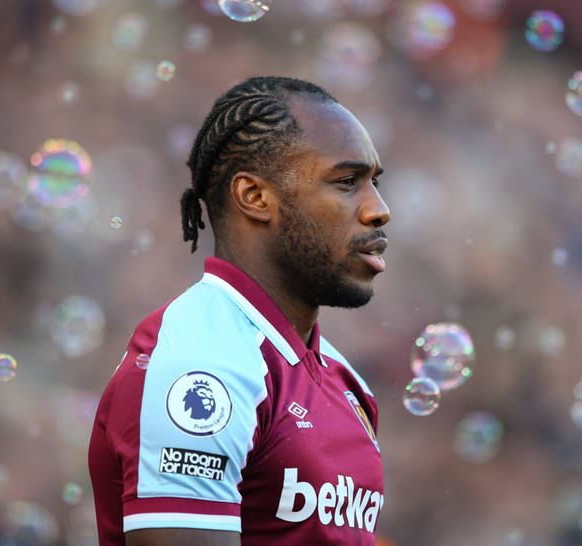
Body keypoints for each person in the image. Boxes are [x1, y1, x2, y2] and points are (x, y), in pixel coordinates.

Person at [89, 76, 391, 545]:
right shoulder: (200, 362)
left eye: (374, 183)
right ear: (254, 197)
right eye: (347, 182)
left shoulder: (345, 380)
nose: (379, 210)